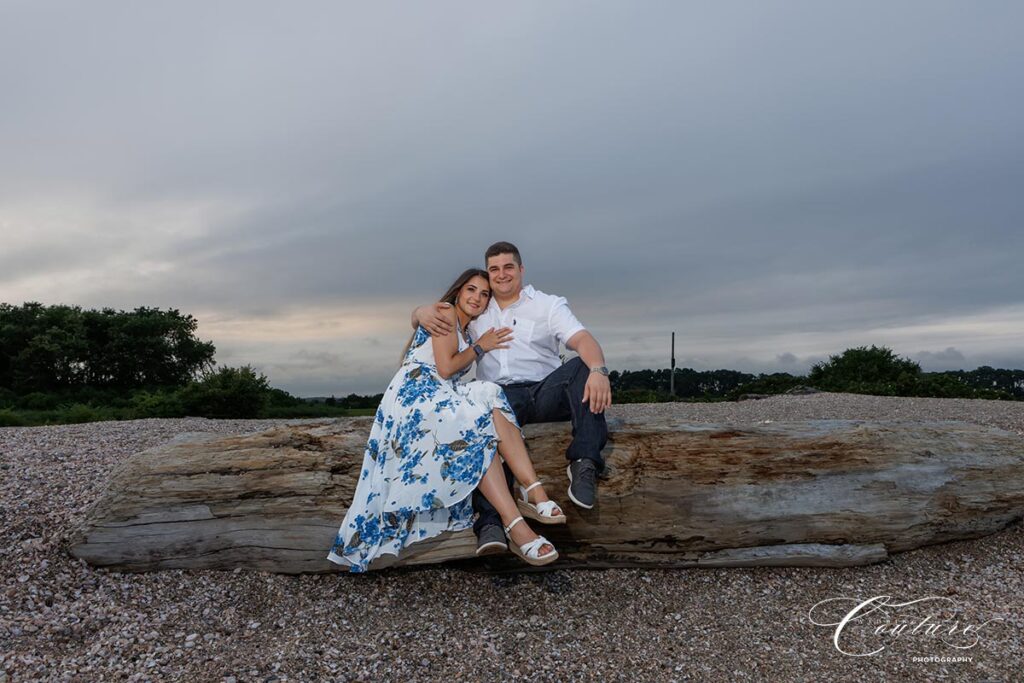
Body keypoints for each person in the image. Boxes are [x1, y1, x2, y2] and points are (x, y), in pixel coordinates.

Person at [327, 268, 567, 573]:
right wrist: (481, 347)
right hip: (418, 394)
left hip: (439, 394)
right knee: (483, 405)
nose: (477, 298)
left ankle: (530, 498)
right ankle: (521, 514)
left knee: (486, 402)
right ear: (457, 292)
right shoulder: (446, 313)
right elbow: (444, 367)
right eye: (471, 290)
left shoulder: (464, 330)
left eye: (484, 294)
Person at [413, 242, 611, 556]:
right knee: (482, 419)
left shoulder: (547, 304)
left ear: (521, 270)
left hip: (544, 388)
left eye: (508, 267)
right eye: (494, 269)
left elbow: (582, 339)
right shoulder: (478, 307)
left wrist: (599, 370)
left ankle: (584, 462)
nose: (501, 275)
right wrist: (420, 312)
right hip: (500, 396)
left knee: (581, 367)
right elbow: (443, 317)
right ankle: (491, 522)